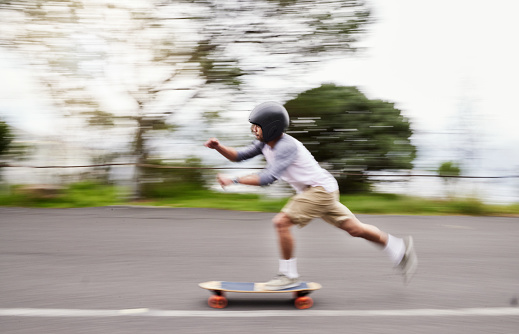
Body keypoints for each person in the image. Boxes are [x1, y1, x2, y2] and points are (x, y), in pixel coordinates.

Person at [204, 101, 417, 290]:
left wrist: (233, 180)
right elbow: (238, 156)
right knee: (354, 229)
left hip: (319, 191)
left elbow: (268, 178)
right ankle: (398, 247)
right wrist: (218, 147)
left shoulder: (285, 146)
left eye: (257, 125)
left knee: (281, 222)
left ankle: (288, 276)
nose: (253, 129)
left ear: (271, 127)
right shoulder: (265, 144)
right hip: (322, 189)